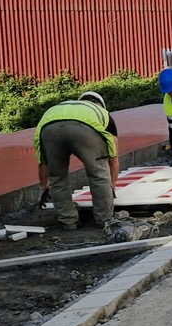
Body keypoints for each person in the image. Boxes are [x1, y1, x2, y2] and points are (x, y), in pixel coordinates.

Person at [34, 90, 120, 230]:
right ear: (101, 105)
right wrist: (111, 187)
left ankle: (68, 221)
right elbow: (113, 160)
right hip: (85, 129)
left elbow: (44, 163)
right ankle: (104, 219)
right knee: (98, 174)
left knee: (57, 178)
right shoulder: (103, 114)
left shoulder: (62, 107)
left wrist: (43, 187)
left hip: (49, 129)